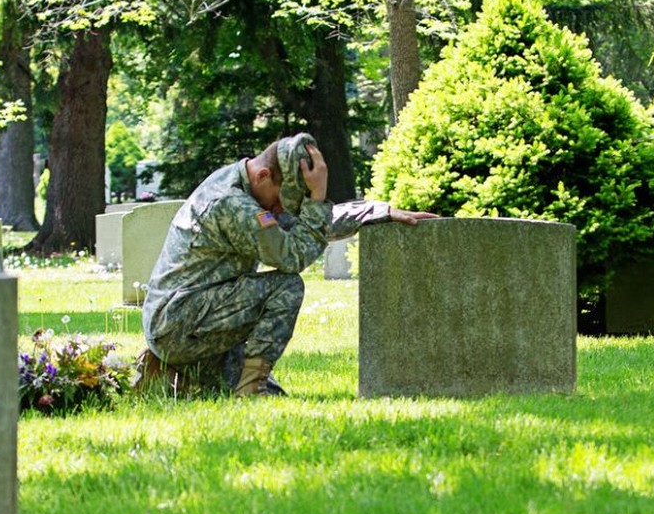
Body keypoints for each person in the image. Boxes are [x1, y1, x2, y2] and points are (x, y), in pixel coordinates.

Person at [138, 132, 438, 397]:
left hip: (199, 316)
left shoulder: (251, 187)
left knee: (273, 396)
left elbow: (300, 222)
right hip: (178, 323)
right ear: (263, 175)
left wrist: (375, 211)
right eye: (280, 202)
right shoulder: (233, 205)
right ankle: (246, 387)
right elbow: (294, 256)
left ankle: (167, 371)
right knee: (286, 286)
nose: (279, 210)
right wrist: (317, 198)